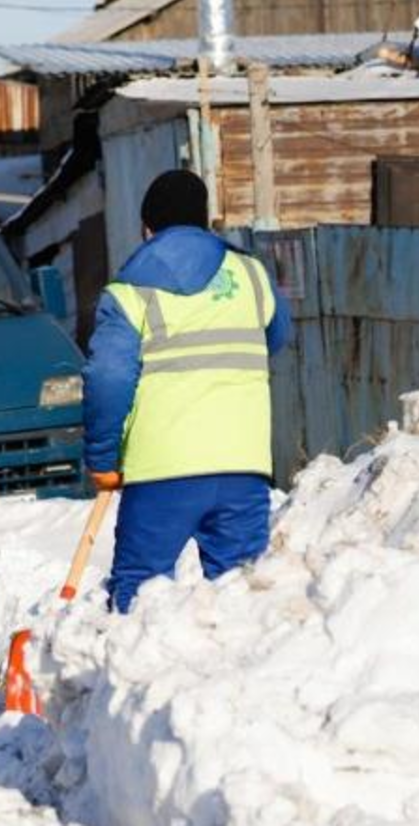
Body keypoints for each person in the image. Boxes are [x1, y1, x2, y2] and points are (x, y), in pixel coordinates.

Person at [82, 168, 292, 613]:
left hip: (161, 471)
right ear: (206, 221)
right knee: (244, 599)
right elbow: (274, 337)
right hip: (244, 464)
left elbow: (108, 377)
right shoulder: (253, 276)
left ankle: (137, 681)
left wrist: (102, 459)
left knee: (139, 602)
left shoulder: (128, 292)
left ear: (147, 229)